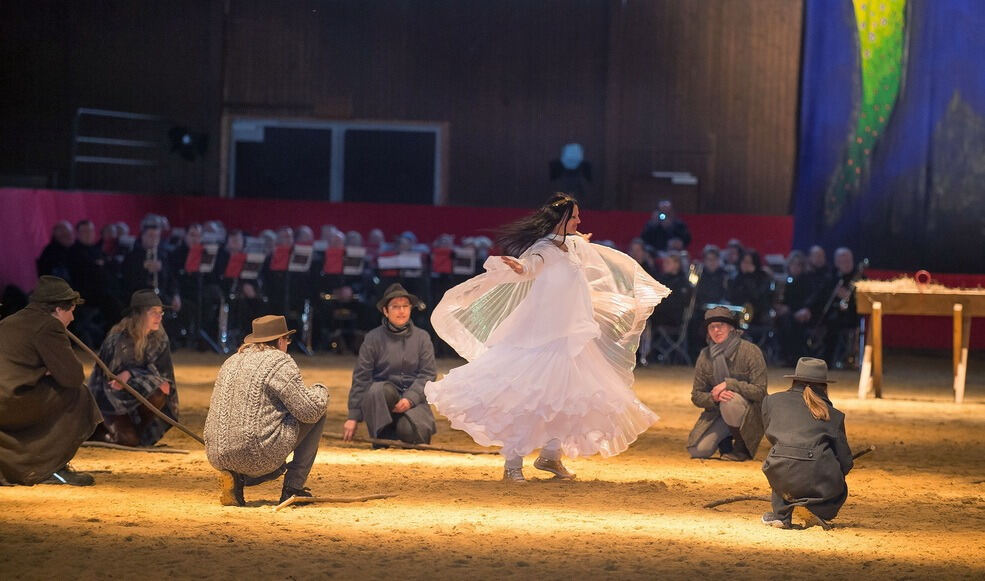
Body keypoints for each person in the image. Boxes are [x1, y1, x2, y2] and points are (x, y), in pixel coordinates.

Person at [426, 193, 669, 482]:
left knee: (569, 398)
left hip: (570, 338)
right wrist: (520, 267)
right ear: (561, 219)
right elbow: (531, 267)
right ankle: (512, 464)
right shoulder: (543, 249)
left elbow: (580, 249)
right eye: (575, 216)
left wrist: (582, 238)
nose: (579, 221)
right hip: (540, 336)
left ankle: (550, 457)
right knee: (526, 398)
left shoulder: (572, 244)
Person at [204, 315, 329, 506]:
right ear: (280, 341)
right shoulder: (278, 361)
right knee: (317, 410)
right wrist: (321, 390)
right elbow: (309, 411)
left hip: (217, 454)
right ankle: (293, 489)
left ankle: (237, 480)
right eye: (287, 340)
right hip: (256, 453)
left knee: (274, 417)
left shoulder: (231, 360)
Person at [0, 276, 101, 486]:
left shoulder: (9, 321)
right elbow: (72, 377)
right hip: (12, 402)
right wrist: (48, 370)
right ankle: (53, 468)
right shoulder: (49, 327)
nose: (72, 318)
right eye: (71, 310)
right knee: (79, 395)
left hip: (6, 398)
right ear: (58, 309)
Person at [761, 357, 853, 529]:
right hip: (816, 478)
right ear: (824, 386)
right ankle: (816, 508)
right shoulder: (833, 415)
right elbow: (845, 461)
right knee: (838, 481)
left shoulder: (771, 402)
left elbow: (771, 434)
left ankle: (781, 515)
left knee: (783, 465)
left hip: (778, 469)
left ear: (794, 380)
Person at [343, 284, 437, 445]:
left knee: (411, 435)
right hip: (381, 400)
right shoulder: (372, 338)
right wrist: (353, 416)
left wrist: (410, 399)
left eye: (405, 306)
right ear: (386, 311)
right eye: (395, 307)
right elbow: (361, 378)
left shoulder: (422, 338)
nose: (401, 311)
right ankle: (382, 432)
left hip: (412, 402)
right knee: (379, 389)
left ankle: (399, 428)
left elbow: (428, 374)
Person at [87, 290, 178, 447]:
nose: (159, 317)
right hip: (111, 404)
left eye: (160, 312)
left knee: (158, 391)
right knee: (127, 441)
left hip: (136, 398)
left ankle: (139, 431)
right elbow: (111, 385)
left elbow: (165, 380)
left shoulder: (159, 339)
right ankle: (100, 433)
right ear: (139, 315)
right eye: (153, 312)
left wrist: (131, 374)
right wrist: (142, 378)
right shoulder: (118, 340)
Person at [687, 306, 767, 461]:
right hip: (718, 412)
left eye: (721, 325)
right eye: (712, 327)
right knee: (698, 451)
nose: (716, 330)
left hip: (749, 412)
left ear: (731, 328)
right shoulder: (705, 356)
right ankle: (725, 441)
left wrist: (730, 385)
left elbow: (760, 391)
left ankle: (742, 447)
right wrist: (714, 397)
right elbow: (696, 396)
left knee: (730, 400)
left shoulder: (750, 351)